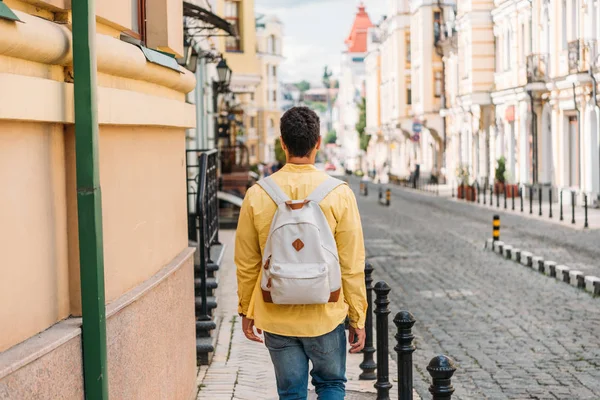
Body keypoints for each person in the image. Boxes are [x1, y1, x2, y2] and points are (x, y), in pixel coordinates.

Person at [235, 107, 367, 400]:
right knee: (331, 385)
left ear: (282, 143)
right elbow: (351, 263)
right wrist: (358, 317)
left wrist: (247, 309)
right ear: (318, 142)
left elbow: (247, 263)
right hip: (325, 311)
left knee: (291, 393)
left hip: (276, 312)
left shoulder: (257, 194)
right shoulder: (339, 193)